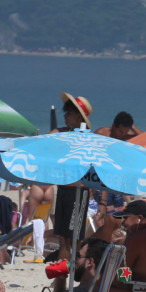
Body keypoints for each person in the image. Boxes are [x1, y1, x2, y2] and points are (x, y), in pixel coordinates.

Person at [51, 92, 93, 259]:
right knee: (62, 237)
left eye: (69, 113)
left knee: (73, 237)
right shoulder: (61, 133)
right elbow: (46, 140)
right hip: (63, 188)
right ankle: (62, 275)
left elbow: (94, 167)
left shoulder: (87, 138)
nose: (65, 116)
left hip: (79, 190)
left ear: (79, 116)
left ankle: (71, 270)